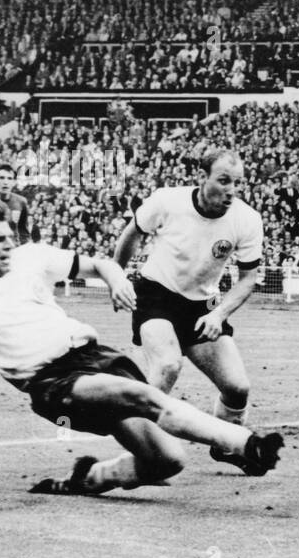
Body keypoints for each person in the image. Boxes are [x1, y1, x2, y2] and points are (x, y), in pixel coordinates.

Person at [0, 196, 283, 494]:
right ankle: (246, 444)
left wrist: (118, 278)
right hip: (53, 383)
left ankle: (89, 479)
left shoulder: (31, 257)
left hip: (95, 360)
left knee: (166, 462)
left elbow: (99, 263)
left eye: (10, 236)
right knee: (142, 395)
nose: (9, 245)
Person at [113, 148, 265, 474]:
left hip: (203, 306)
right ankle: (142, 446)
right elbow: (132, 234)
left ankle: (224, 447)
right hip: (155, 295)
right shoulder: (168, 201)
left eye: (237, 183)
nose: (231, 190)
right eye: (223, 181)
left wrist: (219, 314)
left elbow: (248, 277)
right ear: (201, 177)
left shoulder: (247, 219)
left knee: (237, 388)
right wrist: (116, 277)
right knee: (167, 365)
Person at [0, 161, 32, 245]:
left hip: (13, 249)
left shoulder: (21, 202)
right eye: (1, 178)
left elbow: (23, 230)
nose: (5, 182)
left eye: (9, 178)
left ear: (14, 182)